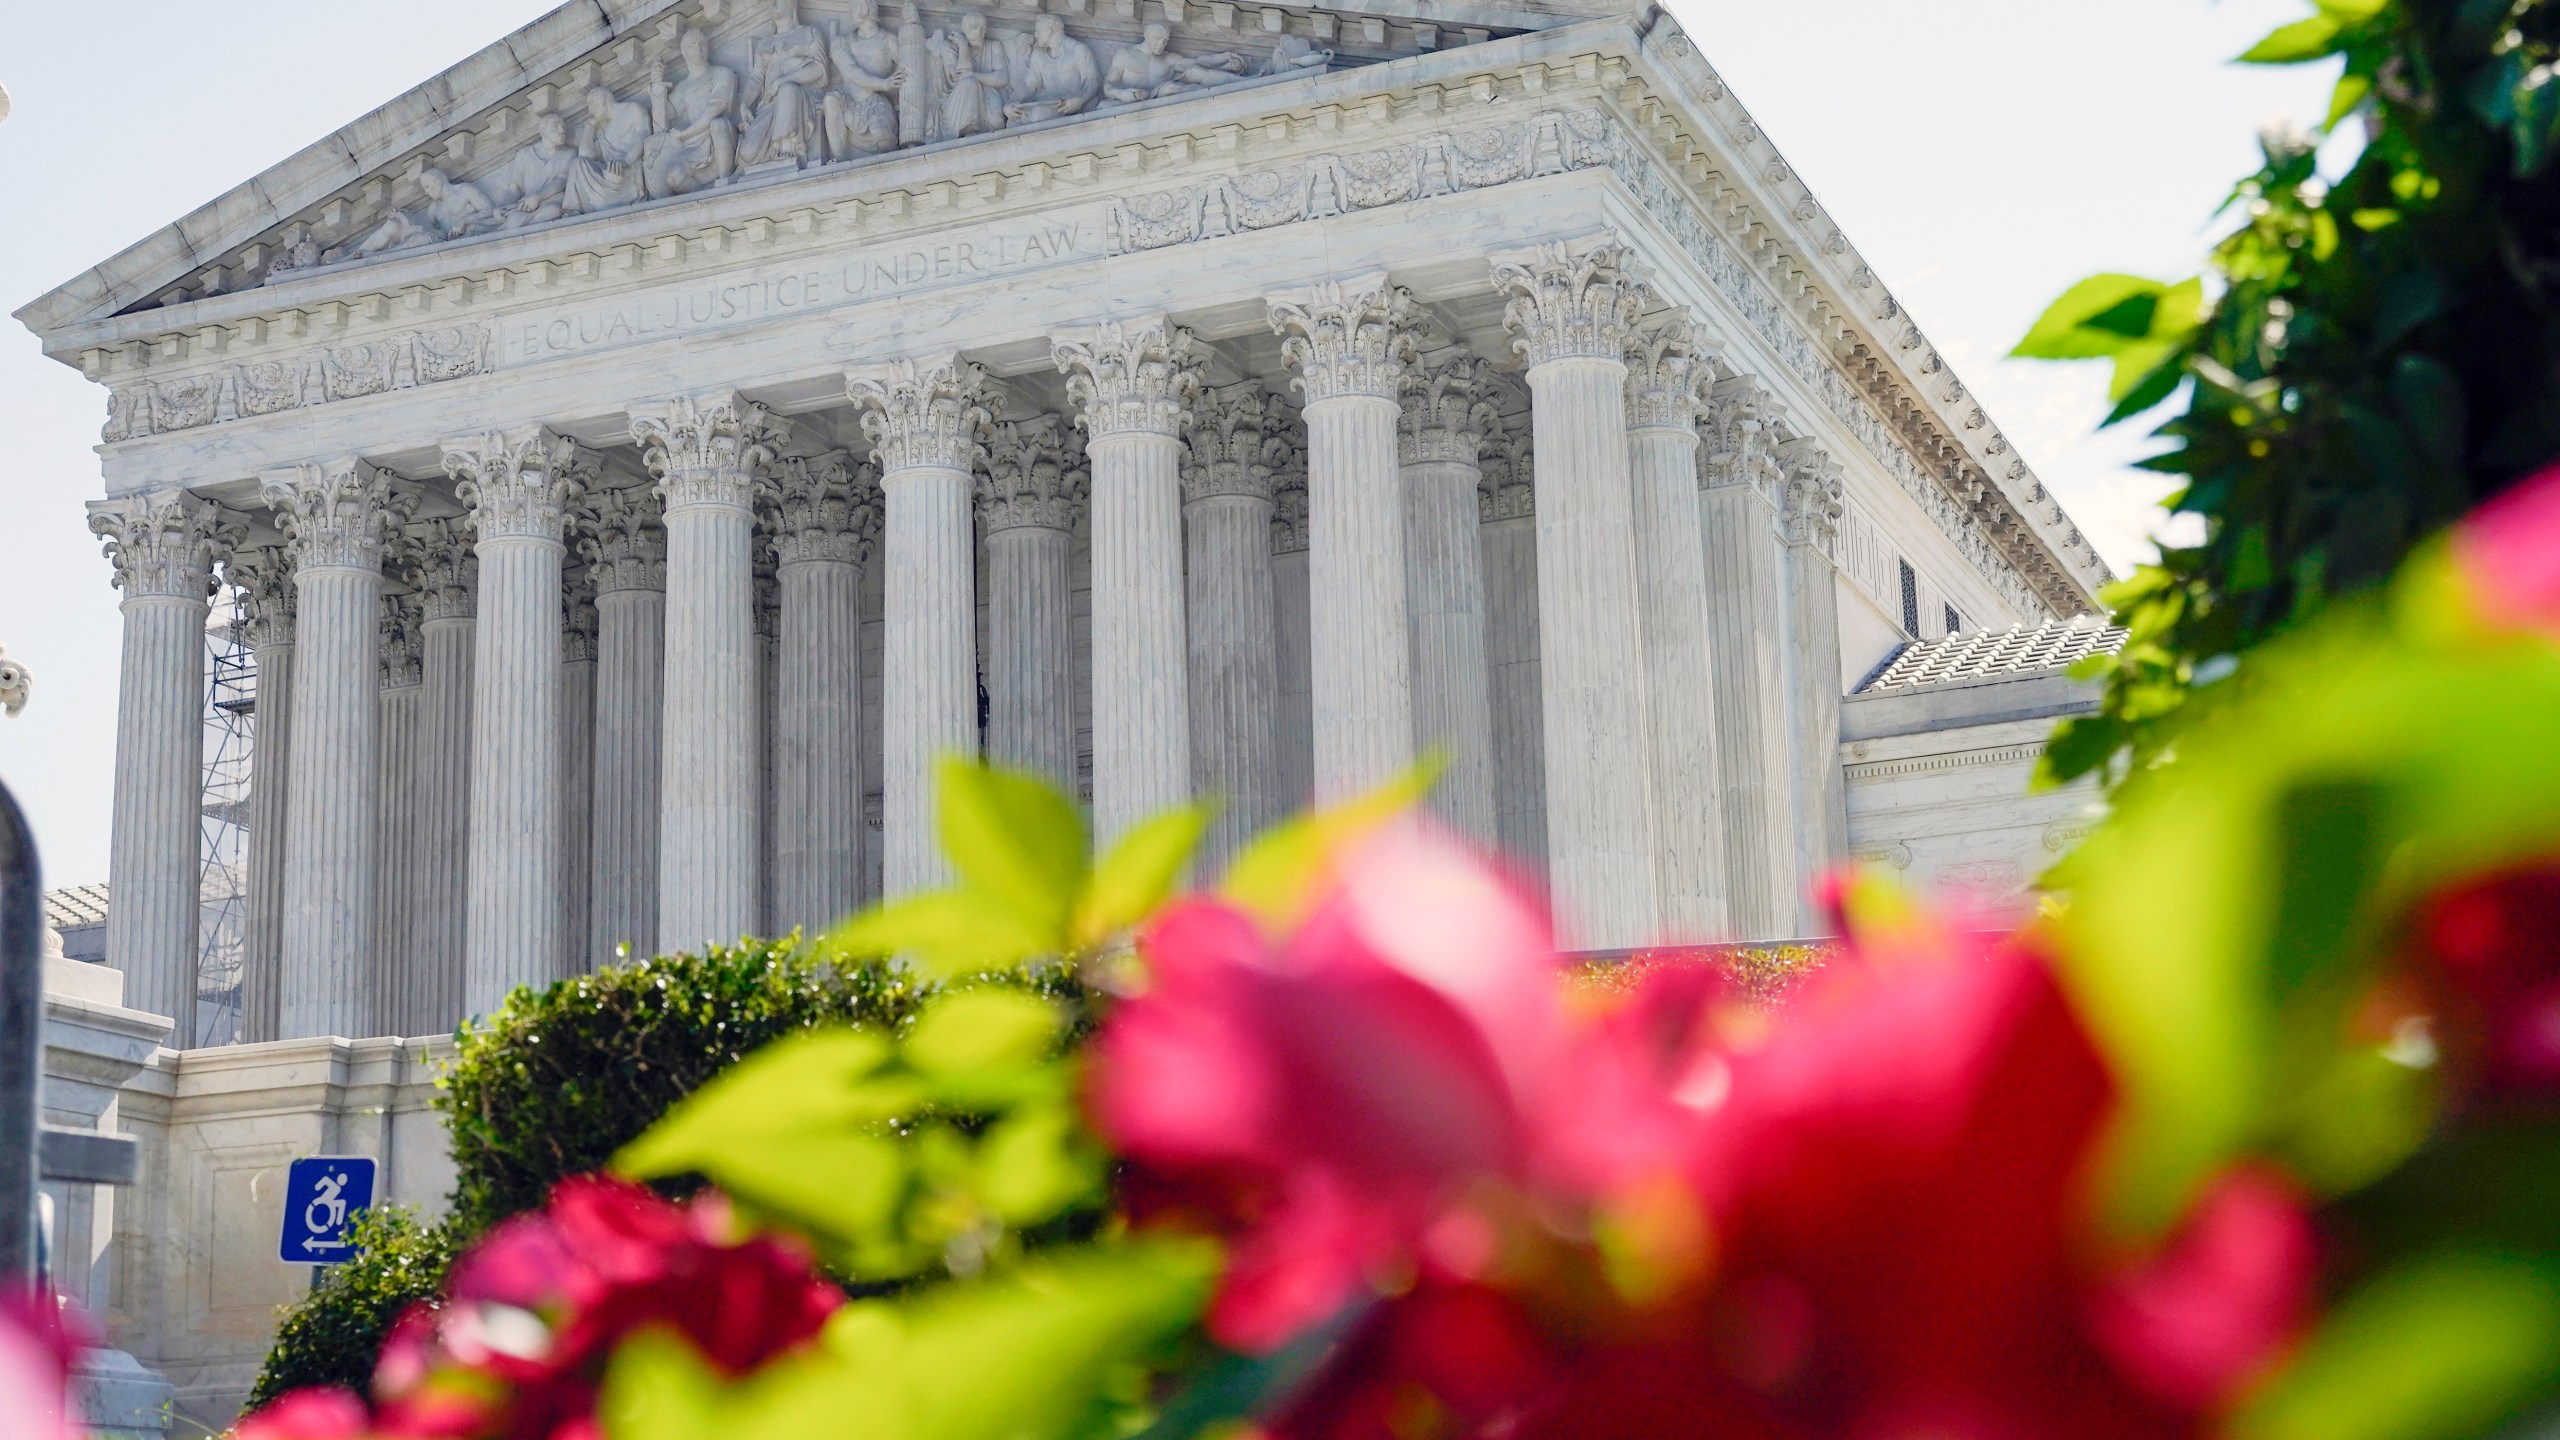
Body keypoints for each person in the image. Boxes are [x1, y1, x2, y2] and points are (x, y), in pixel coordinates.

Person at [642, 25, 740, 197]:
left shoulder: (722, 74)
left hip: (718, 141)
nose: (698, 48)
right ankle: (705, 203)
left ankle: (726, 183)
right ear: (684, 52)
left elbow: (714, 110)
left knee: (718, 124)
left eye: (702, 43)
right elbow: (661, 127)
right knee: (674, 177)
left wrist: (685, 134)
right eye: (692, 45)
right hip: (693, 147)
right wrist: (657, 85)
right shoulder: (683, 88)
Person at [740, 0, 830, 168]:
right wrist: (745, 104)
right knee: (747, 153)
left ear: (792, 4)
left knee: (788, 89)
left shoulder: (809, 33)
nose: (773, 3)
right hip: (769, 105)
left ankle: (787, 147)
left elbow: (820, 69)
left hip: (803, 99)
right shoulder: (764, 44)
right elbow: (756, 78)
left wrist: (782, 81)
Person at [342, 168, 496, 259]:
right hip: (444, 241)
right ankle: (365, 255)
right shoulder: (433, 209)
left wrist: (465, 221)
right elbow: (429, 231)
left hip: (472, 236)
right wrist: (404, 218)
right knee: (403, 230)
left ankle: (378, 256)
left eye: (428, 187)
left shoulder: (465, 190)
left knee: (418, 239)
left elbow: (488, 208)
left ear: (438, 181)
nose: (426, 192)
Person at [825, 0, 905, 156]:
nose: (850, 12)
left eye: (853, 7)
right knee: (830, 100)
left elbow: (907, 69)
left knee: (884, 140)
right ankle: (839, 161)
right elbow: (852, 72)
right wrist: (883, 84)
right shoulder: (841, 42)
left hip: (876, 103)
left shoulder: (889, 41)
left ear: (866, 8)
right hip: (848, 102)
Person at [1101, 21, 1248, 105]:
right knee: (1172, 87)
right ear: (1146, 36)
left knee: (1195, 72)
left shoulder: (1168, 58)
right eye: (1157, 39)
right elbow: (1108, 87)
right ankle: (1219, 100)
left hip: (1160, 93)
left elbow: (1198, 62)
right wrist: (1121, 94)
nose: (1161, 44)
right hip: (1135, 100)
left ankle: (1243, 84)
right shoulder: (1125, 55)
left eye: (1164, 41)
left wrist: (1225, 57)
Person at [565, 83, 651, 214]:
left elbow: (645, 138)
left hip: (628, 170)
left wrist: (626, 162)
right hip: (608, 173)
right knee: (577, 163)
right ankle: (572, 210)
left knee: (603, 198)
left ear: (602, 100)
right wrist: (589, 128)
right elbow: (585, 156)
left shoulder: (633, 109)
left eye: (591, 105)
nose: (589, 111)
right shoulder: (604, 128)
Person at [1003, 14, 1100, 124]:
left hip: (1070, 107)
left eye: (1038, 31)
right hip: (1049, 105)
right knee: (1012, 121)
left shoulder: (1078, 50)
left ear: (1050, 30)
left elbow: (1093, 81)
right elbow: (1029, 84)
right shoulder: (1038, 55)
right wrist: (1010, 103)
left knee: (1038, 115)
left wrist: (1080, 100)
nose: (1035, 35)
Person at [487, 110, 578, 228]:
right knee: (512, 218)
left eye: (563, 127)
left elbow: (561, 181)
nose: (562, 130)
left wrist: (538, 197)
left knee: (553, 210)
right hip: (525, 207)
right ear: (543, 131)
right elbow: (515, 188)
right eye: (555, 126)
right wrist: (501, 208)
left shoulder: (569, 154)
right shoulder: (525, 154)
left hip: (550, 202)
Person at [933, 11, 1009, 139]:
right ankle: (969, 127)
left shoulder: (994, 46)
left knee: (998, 120)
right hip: (959, 99)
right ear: (965, 30)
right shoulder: (949, 47)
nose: (981, 33)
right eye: (975, 29)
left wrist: (974, 75)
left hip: (987, 93)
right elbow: (959, 77)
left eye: (983, 29)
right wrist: (963, 46)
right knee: (969, 83)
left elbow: (1003, 78)